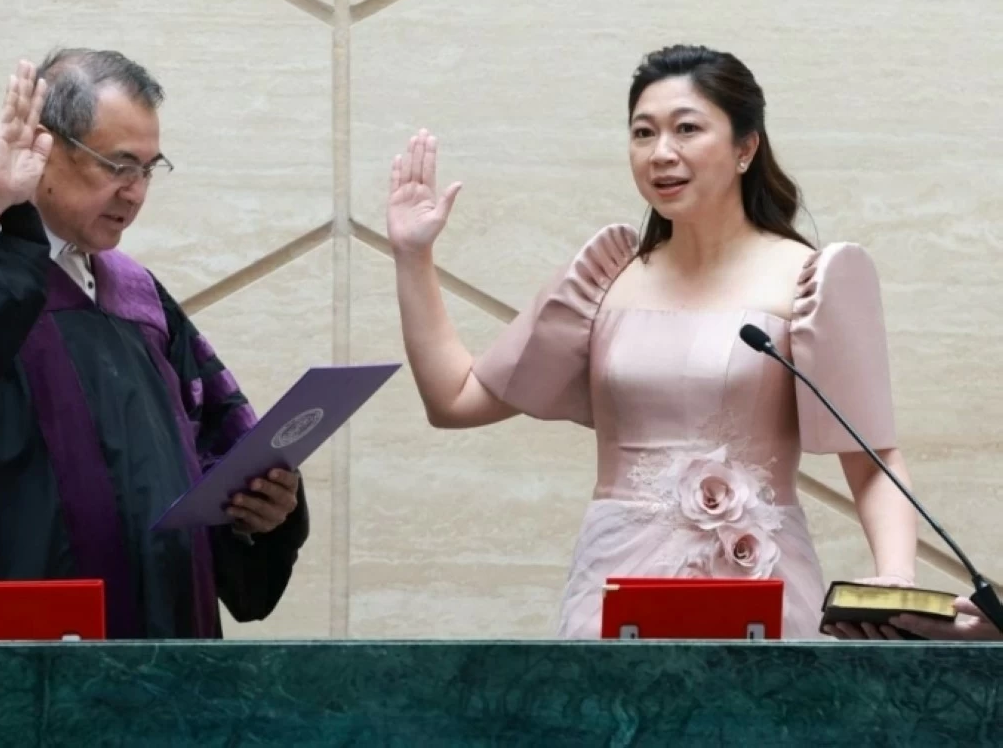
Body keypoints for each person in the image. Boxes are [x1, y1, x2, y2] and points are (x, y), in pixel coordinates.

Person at [386, 44, 917, 640]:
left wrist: (893, 580)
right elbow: (454, 399)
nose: (661, 153)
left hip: (762, 582)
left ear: (746, 148)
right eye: (643, 133)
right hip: (614, 588)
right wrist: (413, 255)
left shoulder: (811, 279)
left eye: (687, 129)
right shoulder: (603, 278)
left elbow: (871, 456)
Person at [0, 49, 309, 641]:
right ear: (43, 146)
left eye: (149, 168)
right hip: (2, 657)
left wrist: (260, 513)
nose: (135, 192)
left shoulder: (140, 298)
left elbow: (213, 453)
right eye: (117, 165)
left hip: (159, 659)